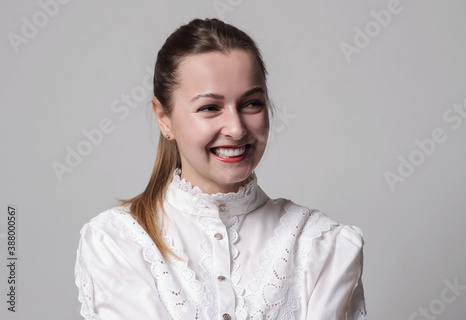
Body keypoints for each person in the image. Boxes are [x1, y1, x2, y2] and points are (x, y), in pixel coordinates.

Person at [74, 18, 367, 320]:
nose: (237, 129)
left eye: (251, 103)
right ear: (164, 118)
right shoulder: (118, 240)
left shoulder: (322, 244)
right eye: (210, 108)